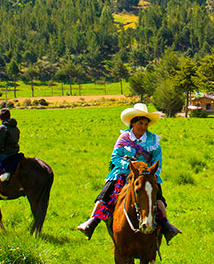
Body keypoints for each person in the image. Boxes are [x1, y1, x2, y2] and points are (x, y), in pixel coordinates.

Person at [75, 103, 181, 241]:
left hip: (146, 175)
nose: (143, 127)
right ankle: (92, 222)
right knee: (106, 193)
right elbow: (115, 157)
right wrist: (127, 166)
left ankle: (166, 225)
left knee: (158, 197)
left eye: (145, 124)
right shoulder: (123, 138)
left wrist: (150, 173)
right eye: (140, 123)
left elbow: (157, 160)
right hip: (123, 172)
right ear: (133, 123)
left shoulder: (153, 140)